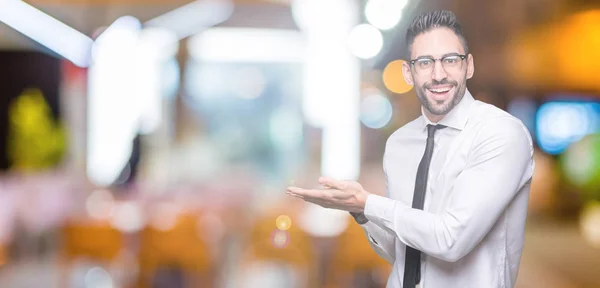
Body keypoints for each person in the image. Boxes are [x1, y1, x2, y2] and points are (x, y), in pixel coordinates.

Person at [286, 9, 535, 288]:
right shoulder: (399, 144)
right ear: (408, 72)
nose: (438, 74)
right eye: (425, 62)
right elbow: (402, 251)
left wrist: (368, 203)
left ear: (469, 66)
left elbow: (451, 240)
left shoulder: (500, 133)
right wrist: (361, 213)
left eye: (450, 60)